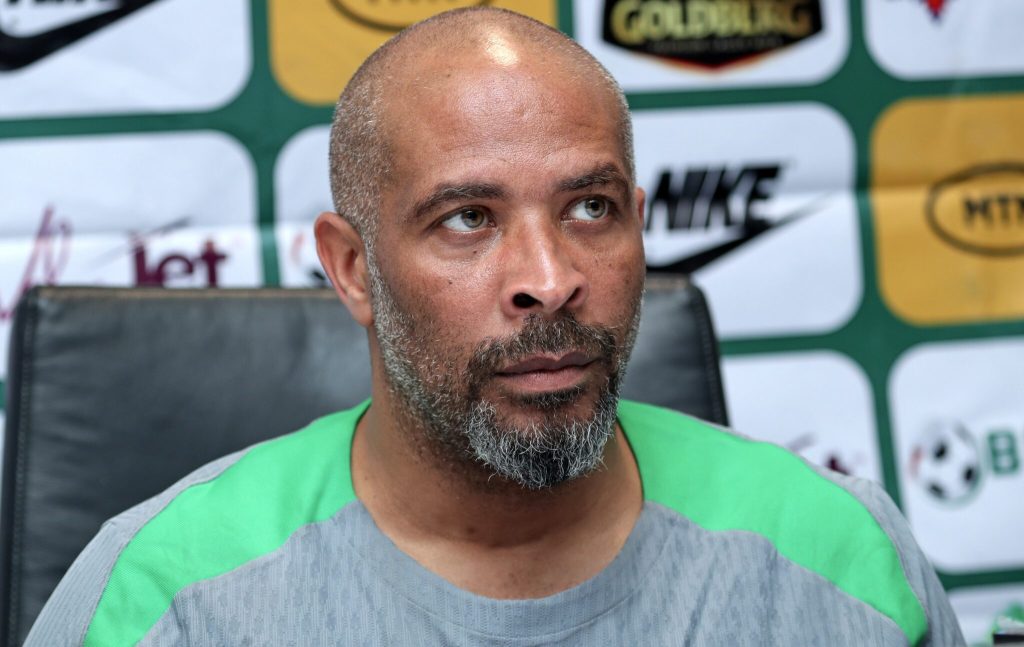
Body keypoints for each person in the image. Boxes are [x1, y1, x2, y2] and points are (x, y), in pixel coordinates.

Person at [26, 7, 965, 646]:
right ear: (352, 268)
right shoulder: (166, 602)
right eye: (468, 218)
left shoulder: (843, 561)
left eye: (591, 209)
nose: (549, 281)